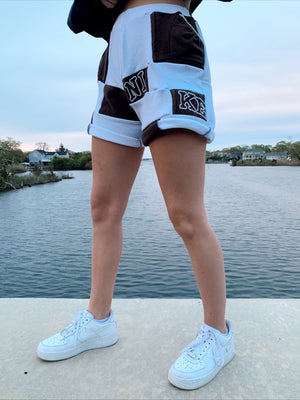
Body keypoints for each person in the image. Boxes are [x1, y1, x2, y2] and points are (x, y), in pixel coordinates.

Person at [37, 0, 235, 390]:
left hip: (168, 39)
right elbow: (78, 18)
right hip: (118, 51)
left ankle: (218, 334)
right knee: (102, 207)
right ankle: (98, 320)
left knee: (185, 214)